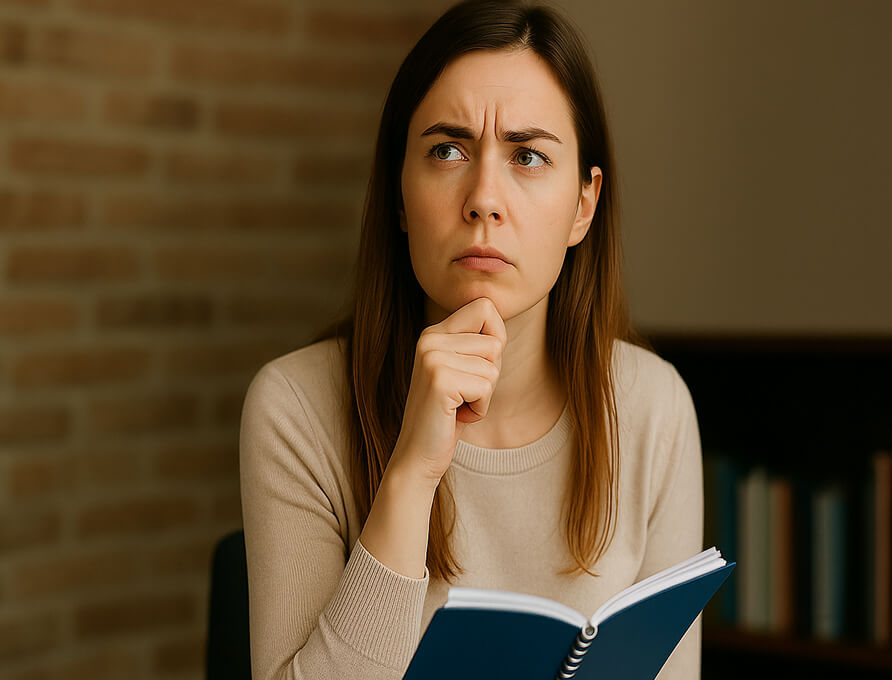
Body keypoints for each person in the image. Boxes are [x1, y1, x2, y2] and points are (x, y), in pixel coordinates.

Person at [238, 0, 704, 678]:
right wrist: (410, 474)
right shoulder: (295, 406)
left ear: (583, 204)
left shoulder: (652, 407)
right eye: (447, 150)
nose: (484, 197)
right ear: (400, 194)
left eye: (529, 155)